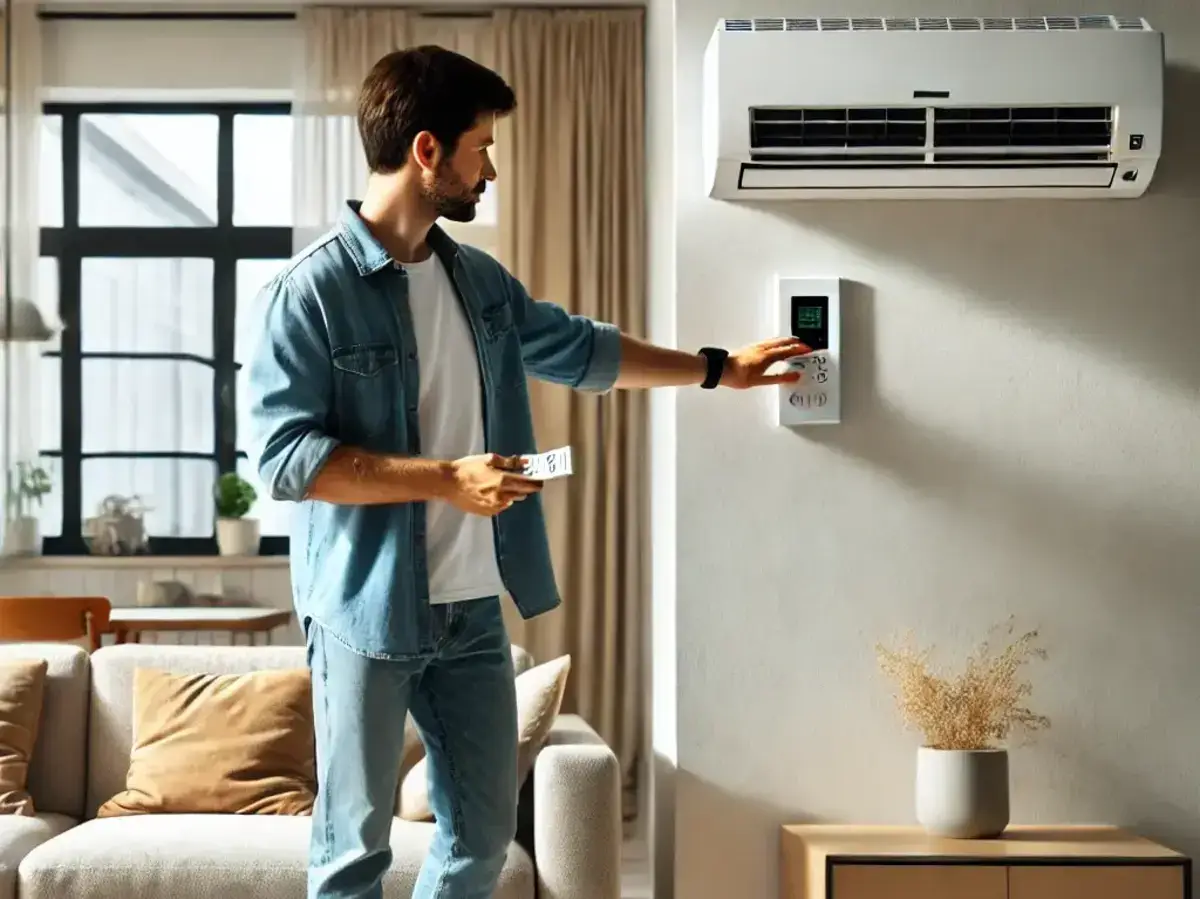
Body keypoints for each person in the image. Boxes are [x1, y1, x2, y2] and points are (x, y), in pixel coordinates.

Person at [248, 44, 810, 899]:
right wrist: (445, 479)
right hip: (363, 609)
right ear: (427, 150)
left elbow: (582, 349)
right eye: (482, 146)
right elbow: (287, 462)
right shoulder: (310, 292)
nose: (492, 169)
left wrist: (714, 367)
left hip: (472, 610)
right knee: (351, 854)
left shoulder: (476, 282)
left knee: (479, 843)